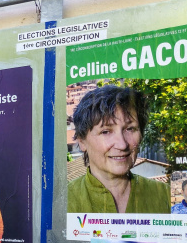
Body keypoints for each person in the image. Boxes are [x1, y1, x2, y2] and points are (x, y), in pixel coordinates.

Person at [67, 85, 169, 214]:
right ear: (82, 142)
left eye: (130, 129)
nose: (122, 145)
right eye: (105, 132)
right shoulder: (62, 203)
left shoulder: (164, 195)